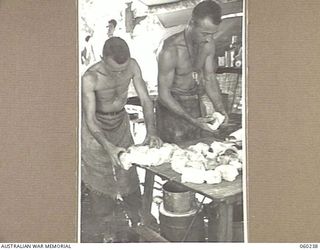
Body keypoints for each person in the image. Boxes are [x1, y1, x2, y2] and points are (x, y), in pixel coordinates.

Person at [81, 37, 162, 242]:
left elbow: (145, 99)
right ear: (103, 58)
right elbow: (90, 119)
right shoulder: (90, 77)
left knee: (128, 172)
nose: (119, 74)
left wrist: (151, 132)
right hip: (95, 127)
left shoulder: (132, 65)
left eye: (122, 70)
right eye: (114, 70)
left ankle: (139, 220)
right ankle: (107, 227)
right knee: (100, 178)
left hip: (120, 122)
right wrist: (108, 147)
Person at [156, 0, 229, 143]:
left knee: (197, 149)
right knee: (174, 154)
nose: (209, 39)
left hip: (194, 102)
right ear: (191, 23)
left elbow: (209, 78)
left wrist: (220, 109)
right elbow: (164, 94)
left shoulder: (208, 43)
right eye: (204, 34)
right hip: (171, 107)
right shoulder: (170, 49)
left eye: (212, 34)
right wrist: (194, 121)